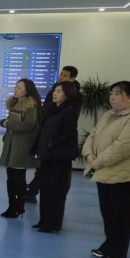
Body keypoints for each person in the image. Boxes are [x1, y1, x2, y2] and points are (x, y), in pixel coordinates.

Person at [83, 81, 130, 258]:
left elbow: (123, 147)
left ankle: (118, 253)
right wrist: (89, 154)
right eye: (111, 93)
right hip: (106, 171)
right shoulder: (109, 114)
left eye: (117, 94)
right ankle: (108, 246)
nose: (112, 97)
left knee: (121, 217)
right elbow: (93, 135)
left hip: (127, 175)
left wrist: (97, 162)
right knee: (109, 214)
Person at [25, 66, 82, 202]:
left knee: (55, 177)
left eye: (65, 76)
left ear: (72, 79)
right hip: (47, 135)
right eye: (61, 74)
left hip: (58, 143)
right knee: (43, 169)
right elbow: (45, 110)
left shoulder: (75, 98)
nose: (61, 77)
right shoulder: (53, 92)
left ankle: (33, 191)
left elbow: (70, 123)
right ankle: (32, 191)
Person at [32, 81, 80, 233]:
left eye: (59, 91)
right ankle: (44, 220)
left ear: (67, 94)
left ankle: (53, 223)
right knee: (45, 189)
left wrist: (51, 144)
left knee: (56, 191)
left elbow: (69, 135)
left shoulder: (69, 111)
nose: (55, 93)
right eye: (55, 90)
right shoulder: (52, 109)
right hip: (47, 156)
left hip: (59, 157)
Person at [0, 79, 42, 218]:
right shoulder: (16, 104)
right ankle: (12, 206)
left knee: (18, 179)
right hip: (11, 146)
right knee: (11, 178)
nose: (15, 90)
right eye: (16, 87)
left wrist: (7, 124)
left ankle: (18, 207)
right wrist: (5, 122)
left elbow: (28, 125)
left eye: (19, 87)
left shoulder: (31, 106)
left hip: (22, 147)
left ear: (27, 90)